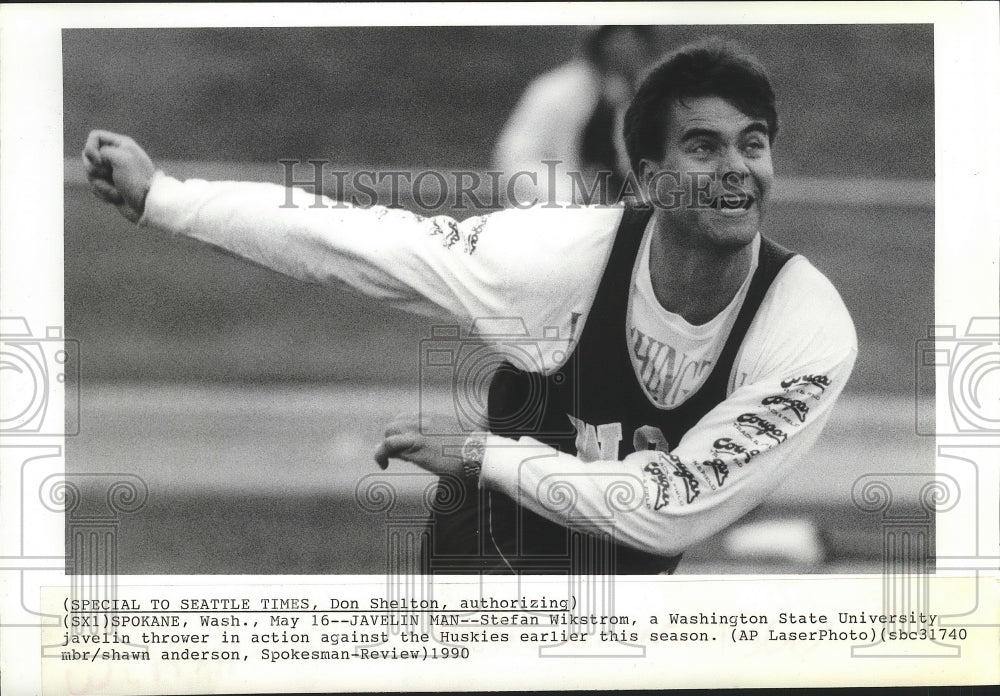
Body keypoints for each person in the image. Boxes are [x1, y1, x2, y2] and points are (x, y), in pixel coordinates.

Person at [83, 39, 857, 575]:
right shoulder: (560, 260)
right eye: (704, 146)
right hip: (487, 558)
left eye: (752, 144)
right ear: (651, 177)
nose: (737, 169)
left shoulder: (806, 331)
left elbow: (667, 511)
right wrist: (167, 200)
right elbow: (362, 244)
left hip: (622, 581)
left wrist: (488, 455)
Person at [493, 25, 657, 205]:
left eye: (637, 33)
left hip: (625, 216)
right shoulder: (554, 91)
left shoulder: (649, 95)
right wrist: (574, 195)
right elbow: (515, 160)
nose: (627, 43)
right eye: (617, 33)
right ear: (598, 41)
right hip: (565, 215)